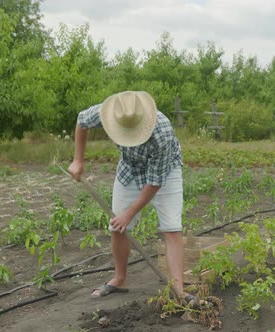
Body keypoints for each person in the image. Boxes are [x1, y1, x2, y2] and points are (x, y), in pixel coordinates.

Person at [67, 91, 197, 304]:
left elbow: (155, 182)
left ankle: (178, 290)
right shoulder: (110, 113)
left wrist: (130, 213)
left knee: (172, 227)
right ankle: (120, 279)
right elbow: (82, 121)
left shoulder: (162, 133)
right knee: (118, 227)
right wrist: (78, 159)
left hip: (166, 171)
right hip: (130, 167)